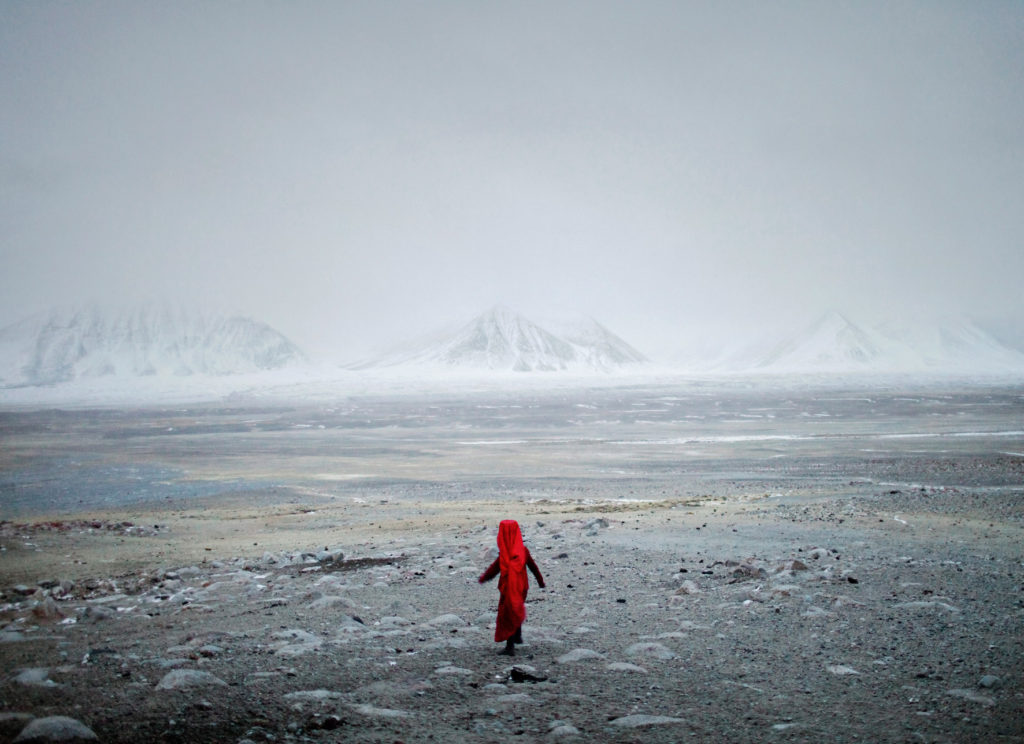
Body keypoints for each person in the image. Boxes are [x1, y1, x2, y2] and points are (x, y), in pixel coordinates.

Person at [478, 519, 545, 656]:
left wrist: (484, 578)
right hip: (521, 587)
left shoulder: (505, 554)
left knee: (507, 615)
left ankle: (510, 647)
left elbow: (494, 569)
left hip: (508, 588)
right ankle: (518, 635)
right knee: (516, 608)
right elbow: (533, 567)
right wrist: (540, 581)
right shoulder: (523, 551)